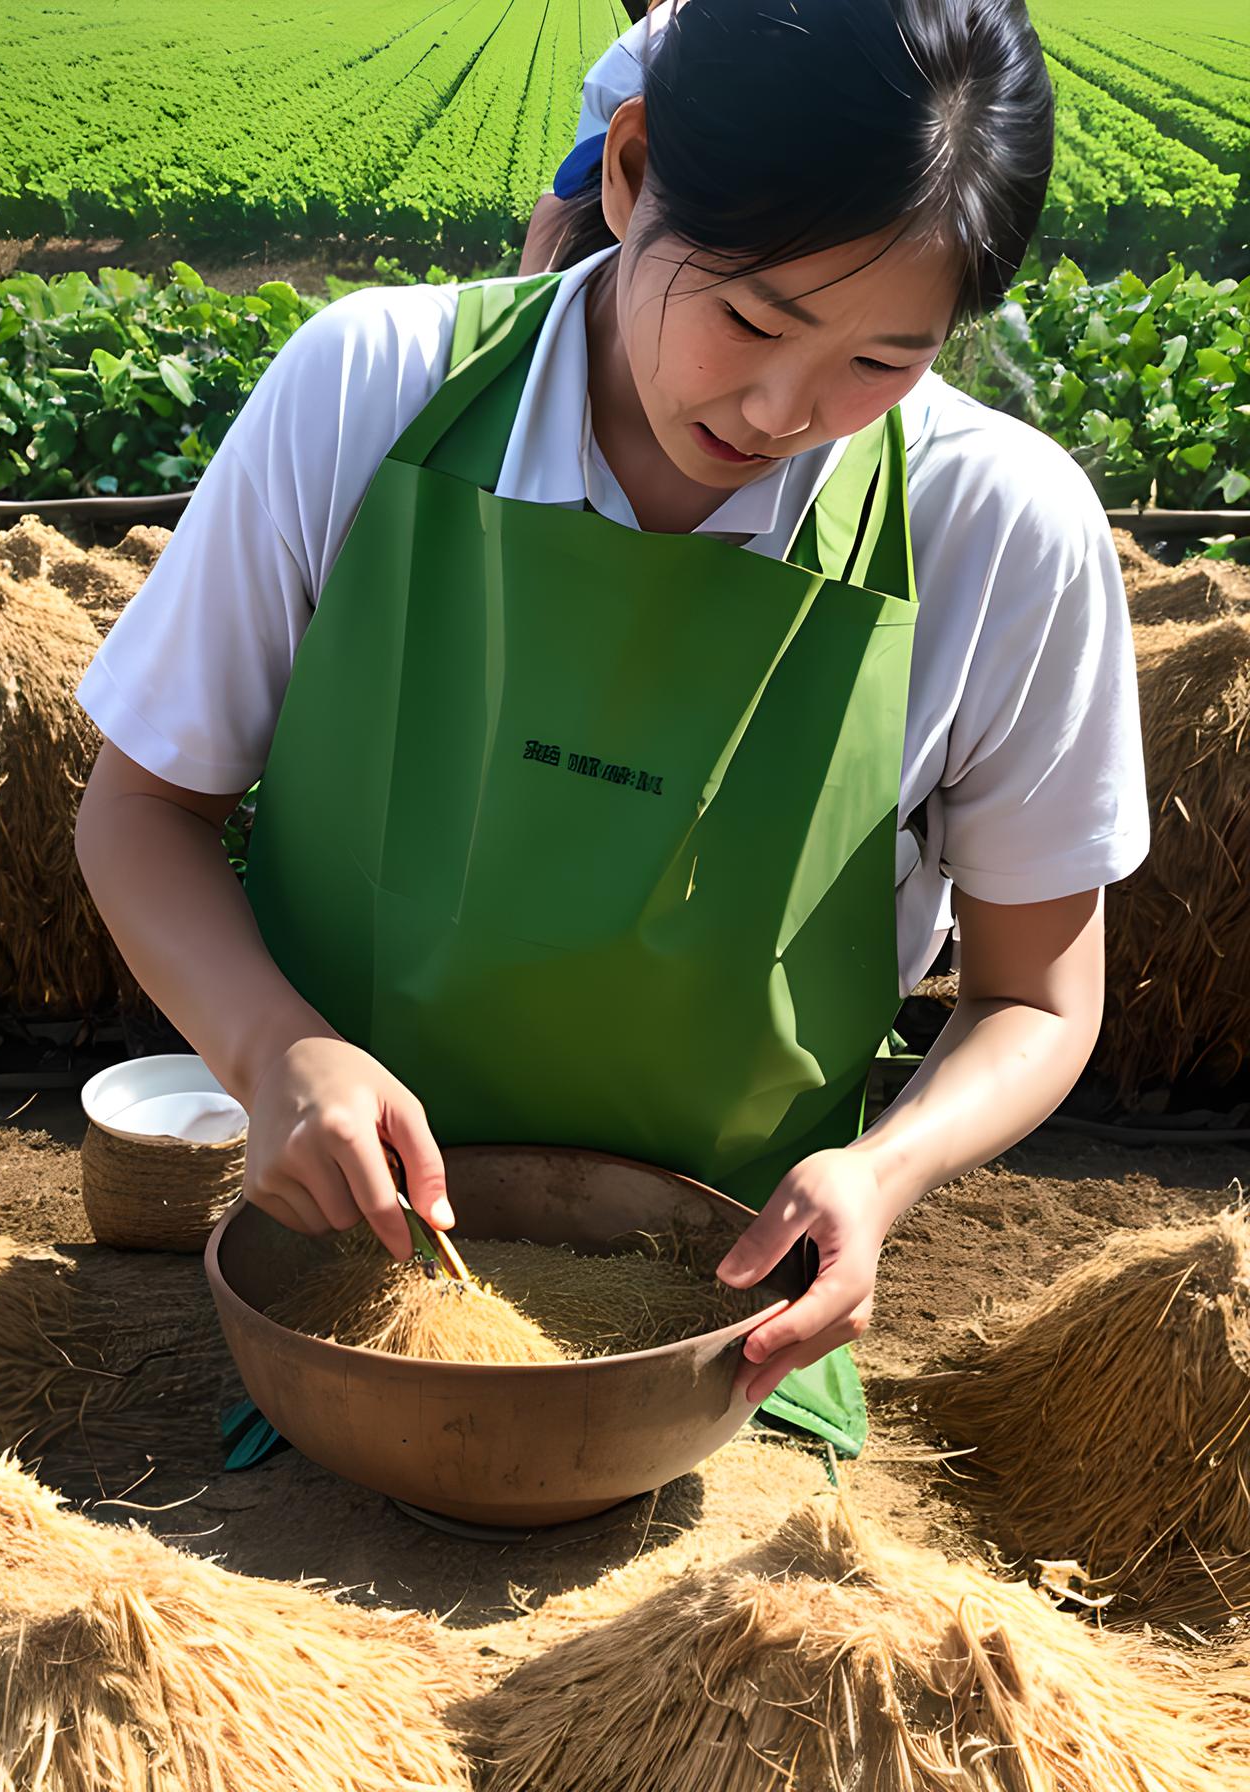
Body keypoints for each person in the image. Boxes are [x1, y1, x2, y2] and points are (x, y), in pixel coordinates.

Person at [74, 0, 1148, 1450]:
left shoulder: (1001, 533)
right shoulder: (370, 389)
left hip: (731, 1319)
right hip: (353, 1267)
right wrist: (275, 1056)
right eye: (750, 315)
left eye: (879, 363)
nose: (782, 406)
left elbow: (1035, 993)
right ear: (631, 175)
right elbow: (141, 809)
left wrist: (884, 1175)